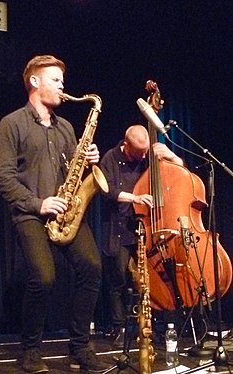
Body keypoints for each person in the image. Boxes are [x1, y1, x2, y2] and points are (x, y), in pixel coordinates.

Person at [0, 55, 111, 374]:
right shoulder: (11, 124)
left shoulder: (68, 127)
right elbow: (3, 177)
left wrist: (87, 158)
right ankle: (30, 351)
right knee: (44, 277)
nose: (63, 87)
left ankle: (80, 348)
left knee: (92, 268)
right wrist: (39, 204)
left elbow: (70, 169)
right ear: (34, 82)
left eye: (62, 81)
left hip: (67, 209)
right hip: (31, 213)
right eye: (56, 80)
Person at [100, 124, 183, 348]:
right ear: (126, 145)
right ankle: (118, 327)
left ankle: (151, 327)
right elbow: (105, 189)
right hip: (119, 228)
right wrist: (134, 198)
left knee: (150, 281)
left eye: (147, 151)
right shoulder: (110, 157)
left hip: (148, 228)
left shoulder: (149, 156)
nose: (145, 156)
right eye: (140, 152)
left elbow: (177, 176)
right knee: (118, 280)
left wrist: (174, 157)